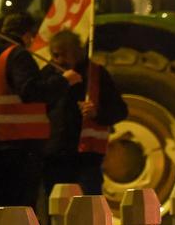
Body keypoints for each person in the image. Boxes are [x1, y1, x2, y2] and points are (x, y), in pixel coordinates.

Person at [0, 12, 79, 211]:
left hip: (0, 142)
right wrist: (64, 81)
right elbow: (31, 91)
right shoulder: (17, 55)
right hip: (23, 144)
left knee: (6, 208)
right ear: (27, 35)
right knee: (23, 207)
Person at [43, 31, 128, 195]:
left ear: (77, 52)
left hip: (87, 158)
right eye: (55, 55)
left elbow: (120, 111)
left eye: (64, 54)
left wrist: (97, 113)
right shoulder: (47, 74)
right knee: (56, 204)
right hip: (54, 156)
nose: (59, 60)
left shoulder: (96, 74)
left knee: (89, 205)